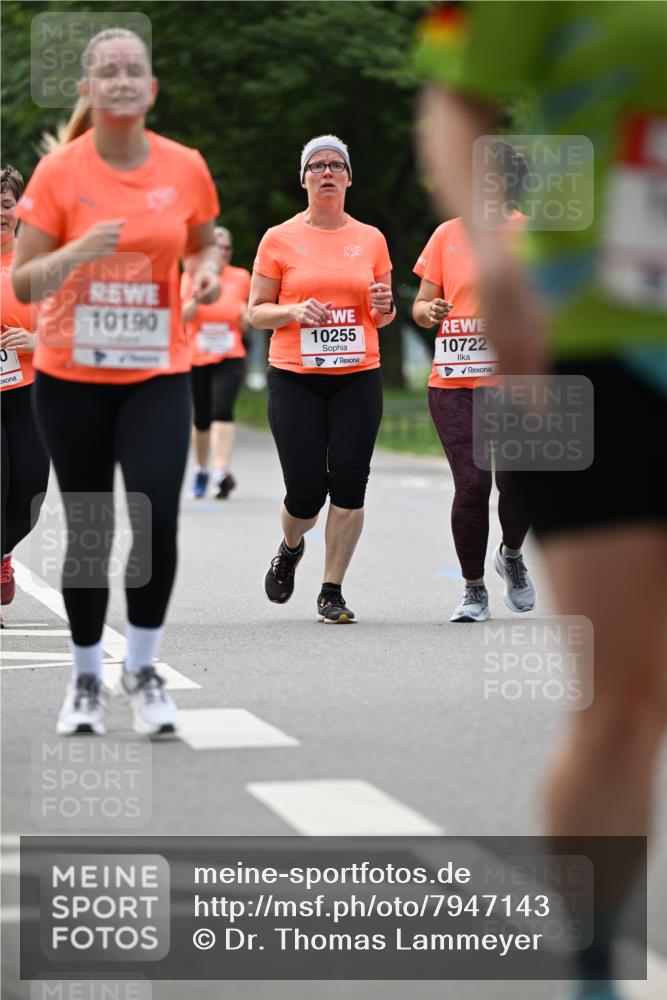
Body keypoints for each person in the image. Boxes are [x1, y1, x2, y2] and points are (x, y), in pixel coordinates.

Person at [415, 3, 666, 999]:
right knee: (623, 701)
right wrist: (497, 251)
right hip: (591, 355)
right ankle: (593, 963)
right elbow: (455, 95)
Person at [13, 27, 221, 736]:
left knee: (157, 517)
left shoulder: (185, 166)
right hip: (71, 374)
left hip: (157, 371)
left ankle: (143, 666)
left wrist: (207, 274)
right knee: (92, 531)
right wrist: (76, 251)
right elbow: (24, 276)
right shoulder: (59, 175)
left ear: (151, 88)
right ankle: (83, 680)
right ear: (88, 90)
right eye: (109, 71)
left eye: (135, 69)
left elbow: (198, 249)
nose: (123, 80)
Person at [248, 135, 395, 623]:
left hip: (358, 375)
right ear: (304, 178)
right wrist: (291, 310)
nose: (327, 172)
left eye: (336, 165)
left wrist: (383, 308)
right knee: (306, 491)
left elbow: (384, 312)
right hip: (296, 378)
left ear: (349, 177)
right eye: (317, 166)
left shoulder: (371, 238)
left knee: (350, 482)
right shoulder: (278, 238)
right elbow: (255, 313)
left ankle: (331, 590)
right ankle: (290, 547)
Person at [413, 140, 536, 622]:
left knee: (519, 482)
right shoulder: (448, 234)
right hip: (455, 382)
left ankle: (510, 555)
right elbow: (422, 307)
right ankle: (473, 588)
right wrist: (432, 309)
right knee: (472, 483)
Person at [1, 165, 50, 622]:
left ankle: (1, 555)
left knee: (29, 497)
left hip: (30, 394)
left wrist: (38, 342)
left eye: (6, 202)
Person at [181, 224, 250, 499]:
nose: (221, 252)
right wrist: (197, 300)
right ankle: (200, 469)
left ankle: (221, 471)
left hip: (230, 353)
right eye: (216, 247)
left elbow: (247, 316)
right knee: (202, 417)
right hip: (197, 355)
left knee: (223, 408)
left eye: (226, 248)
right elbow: (181, 319)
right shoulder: (189, 277)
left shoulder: (241, 277)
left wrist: (246, 318)